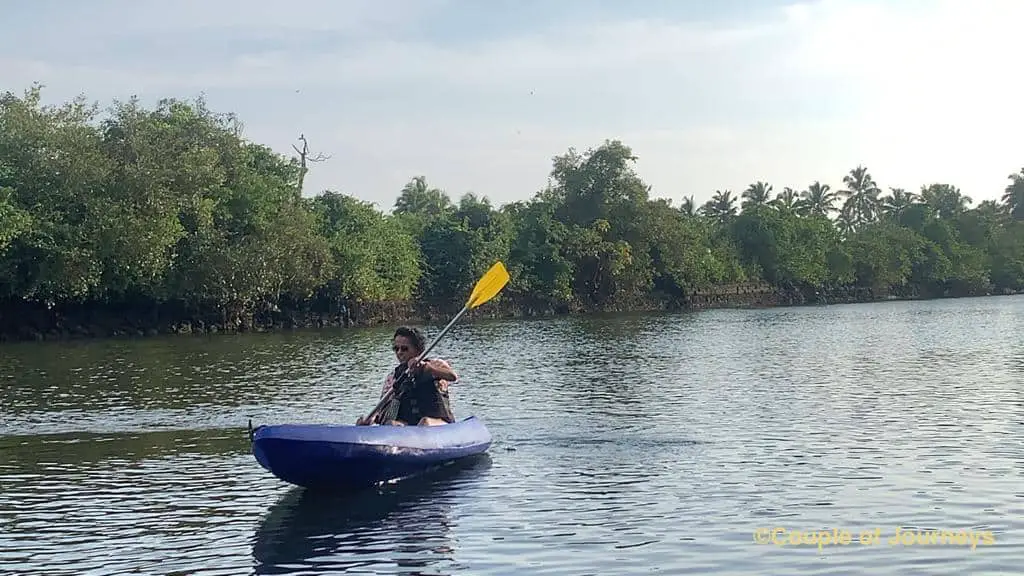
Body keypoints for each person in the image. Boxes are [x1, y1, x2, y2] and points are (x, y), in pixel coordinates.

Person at [355, 326, 459, 427]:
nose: (399, 352)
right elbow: (382, 407)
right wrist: (370, 420)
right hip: (410, 427)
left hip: (440, 424)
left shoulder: (436, 364)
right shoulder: (393, 377)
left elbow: (452, 376)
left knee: (425, 422)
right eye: (396, 349)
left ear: (418, 350)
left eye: (404, 349)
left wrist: (427, 368)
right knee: (391, 424)